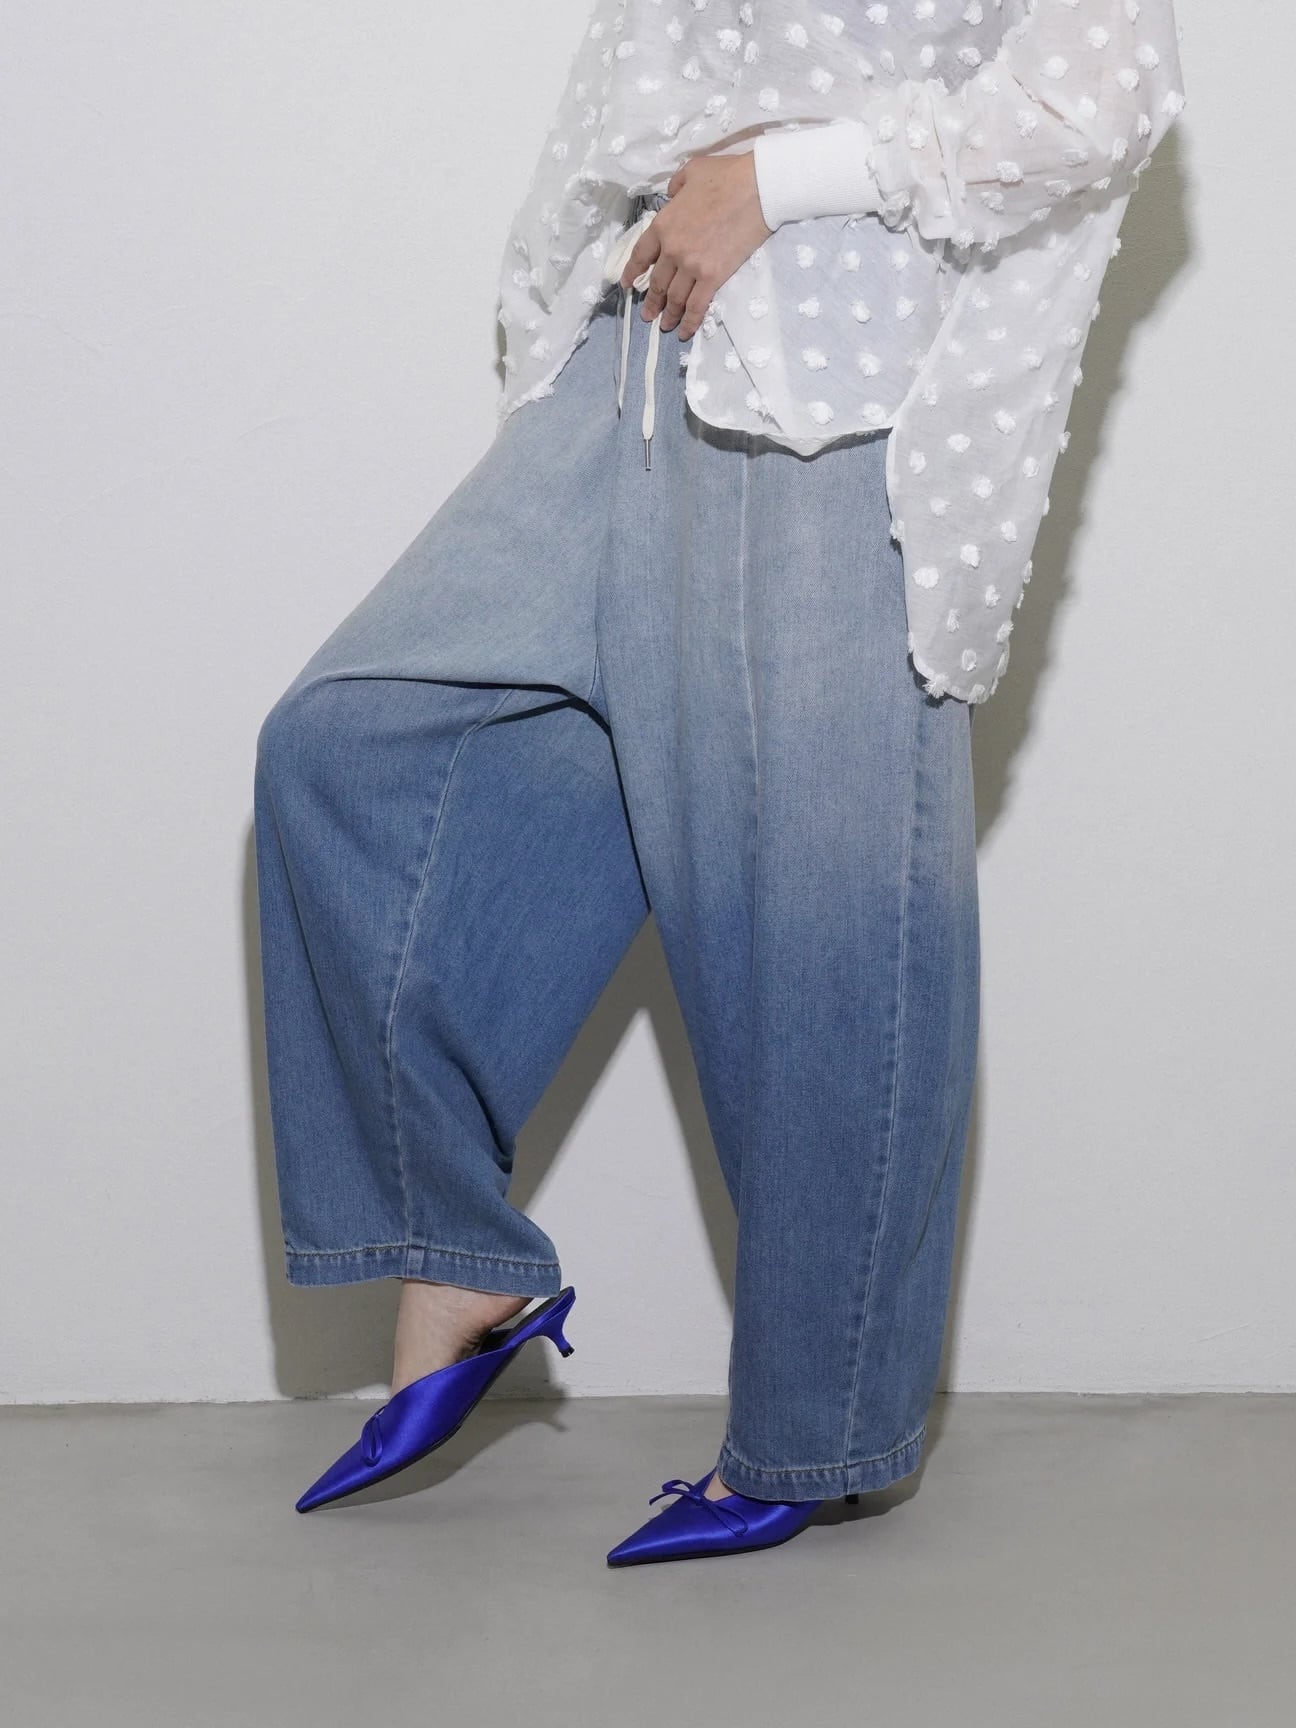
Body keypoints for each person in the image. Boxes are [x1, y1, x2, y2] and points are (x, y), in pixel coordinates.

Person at [252, 0, 1186, 1567]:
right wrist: (556, 323)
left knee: (816, 919)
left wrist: (783, 179)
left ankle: (815, 1432)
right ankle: (457, 1249)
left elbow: (1106, 87)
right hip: (627, 353)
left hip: (837, 375)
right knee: (348, 741)